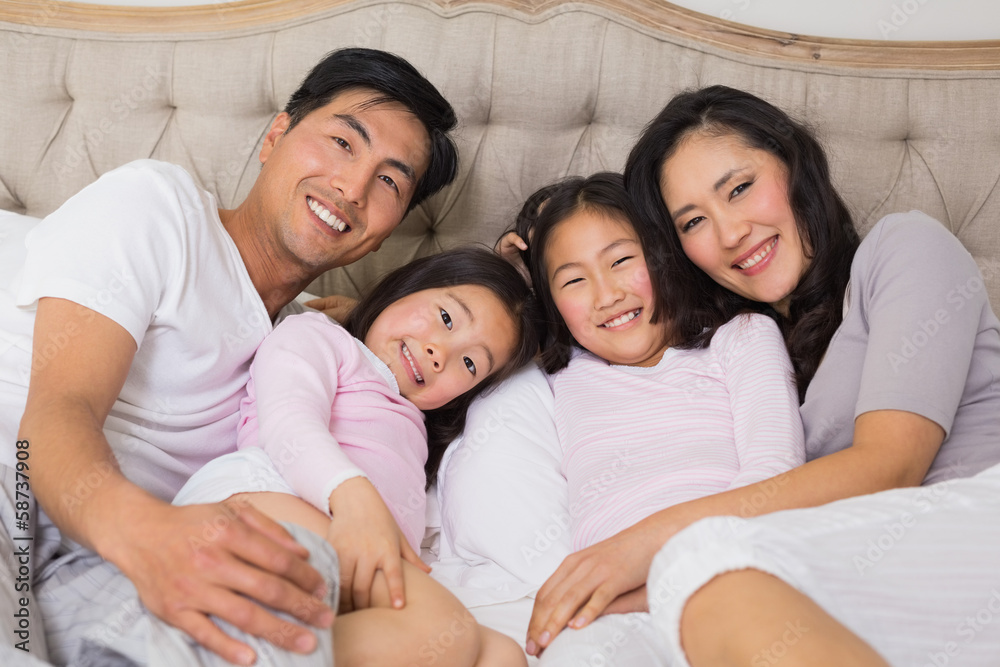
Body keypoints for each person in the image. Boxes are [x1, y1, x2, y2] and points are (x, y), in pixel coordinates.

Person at [0, 47, 458, 666]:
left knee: (282, 585)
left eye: (389, 182)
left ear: (390, 228)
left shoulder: (309, 350)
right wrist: (147, 535)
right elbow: (61, 408)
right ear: (276, 135)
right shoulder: (160, 207)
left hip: (107, 565)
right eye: (343, 142)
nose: (352, 189)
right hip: (22, 486)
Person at [525, 85, 1000, 665]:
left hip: (971, 532)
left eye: (740, 188)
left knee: (712, 576)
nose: (730, 233)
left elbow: (890, 467)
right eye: (694, 222)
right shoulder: (755, 350)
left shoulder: (905, 247)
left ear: (796, 167)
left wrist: (647, 545)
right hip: (870, 582)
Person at [166, 246, 541, 666]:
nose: (441, 353)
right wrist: (355, 499)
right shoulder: (320, 337)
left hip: (356, 558)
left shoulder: (416, 429)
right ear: (409, 285)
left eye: (470, 364)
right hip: (265, 498)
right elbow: (290, 422)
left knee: (502, 655)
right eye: (447, 318)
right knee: (441, 628)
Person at [500, 173, 804, 662]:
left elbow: (775, 478)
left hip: (734, 574)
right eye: (573, 280)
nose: (606, 295)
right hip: (609, 618)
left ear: (664, 253)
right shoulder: (559, 372)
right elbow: (476, 336)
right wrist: (510, 275)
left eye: (621, 260)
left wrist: (656, 584)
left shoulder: (741, 338)